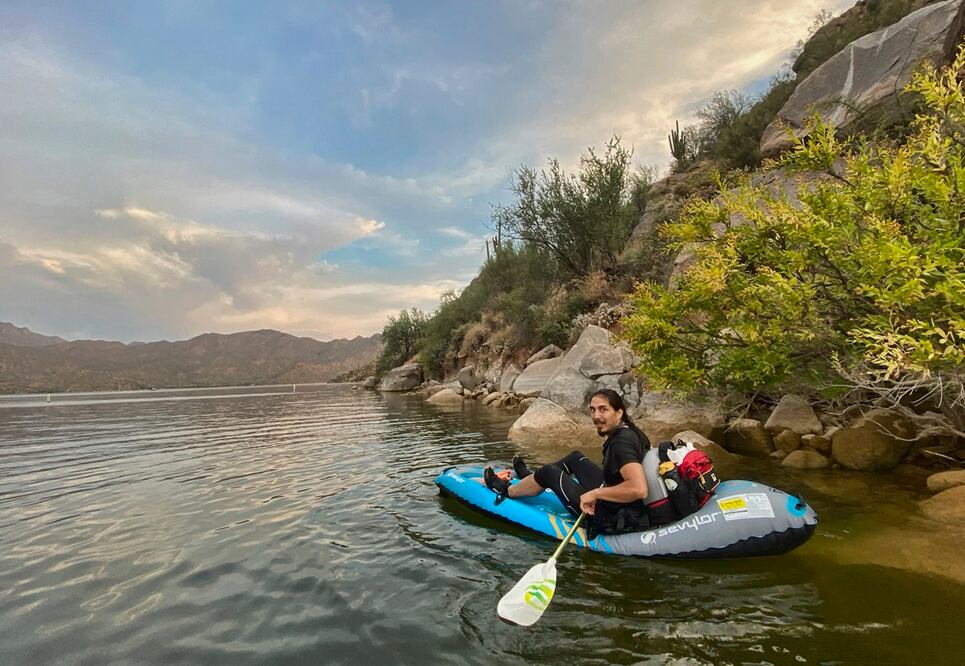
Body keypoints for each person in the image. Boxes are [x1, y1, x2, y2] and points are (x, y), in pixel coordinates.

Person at [484, 388, 651, 536]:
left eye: (603, 410)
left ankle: (506, 490)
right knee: (575, 458)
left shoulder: (622, 443)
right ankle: (533, 479)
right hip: (624, 506)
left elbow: (638, 489)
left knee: (550, 472)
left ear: (619, 412)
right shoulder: (632, 431)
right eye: (593, 410)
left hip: (612, 516)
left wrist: (595, 494)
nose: (596, 416)